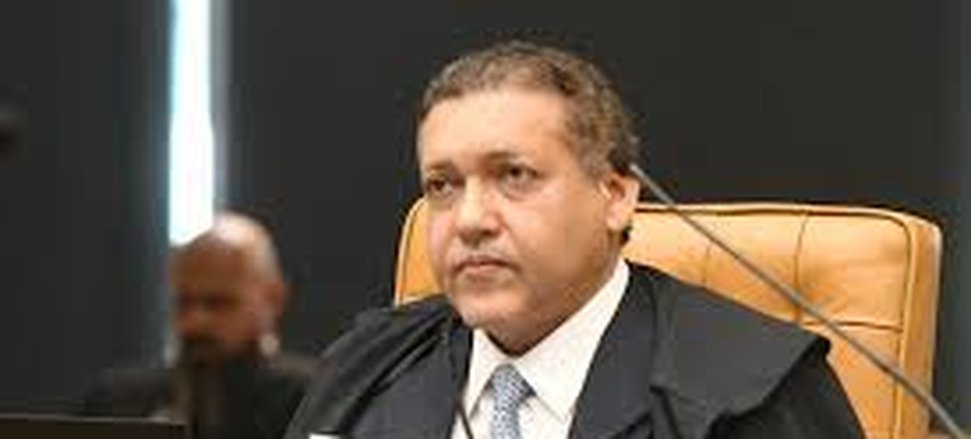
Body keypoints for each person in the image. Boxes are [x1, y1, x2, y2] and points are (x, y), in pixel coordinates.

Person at [286, 40, 864, 438]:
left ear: (614, 197)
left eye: (514, 175)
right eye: (442, 185)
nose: (469, 219)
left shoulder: (752, 391)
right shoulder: (365, 369)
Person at [82, 213, 314, 439]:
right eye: (184, 302)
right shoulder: (117, 402)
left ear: (273, 298)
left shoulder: (313, 401)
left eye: (218, 303)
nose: (197, 320)